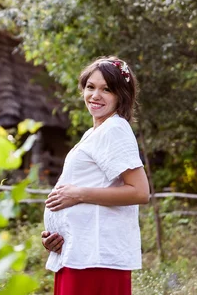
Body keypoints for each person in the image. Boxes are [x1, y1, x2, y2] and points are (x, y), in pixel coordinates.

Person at [41, 56, 150, 295]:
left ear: (121, 95)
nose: (95, 95)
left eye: (106, 89)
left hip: (96, 259)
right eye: (90, 87)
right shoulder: (95, 132)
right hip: (78, 252)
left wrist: (78, 195)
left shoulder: (115, 129)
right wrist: (57, 232)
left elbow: (140, 192)